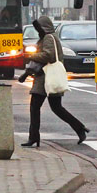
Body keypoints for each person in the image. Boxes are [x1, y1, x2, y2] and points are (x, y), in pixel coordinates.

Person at [18, 15, 88, 147]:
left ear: (43, 27)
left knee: (36, 107)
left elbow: (48, 56)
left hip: (46, 78)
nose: (37, 30)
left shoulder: (49, 38)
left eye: (38, 27)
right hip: (46, 77)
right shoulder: (50, 37)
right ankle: (80, 128)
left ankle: (34, 137)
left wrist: (31, 55)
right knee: (56, 108)